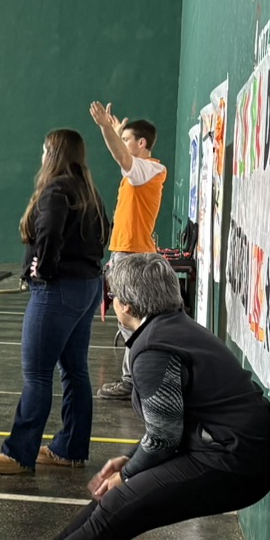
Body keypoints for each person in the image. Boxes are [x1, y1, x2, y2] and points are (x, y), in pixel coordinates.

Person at [0, 254, 270, 540]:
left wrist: (129, 472)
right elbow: (168, 428)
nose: (111, 301)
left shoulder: (154, 349)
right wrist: (130, 461)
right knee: (111, 501)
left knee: (117, 506)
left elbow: (163, 438)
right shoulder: (172, 327)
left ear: (127, 305)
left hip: (236, 463)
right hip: (229, 450)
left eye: (113, 296)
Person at [0, 131, 112, 477]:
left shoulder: (56, 189)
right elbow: (104, 232)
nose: (41, 155)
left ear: (53, 152)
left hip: (58, 291)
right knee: (75, 370)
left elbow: (49, 233)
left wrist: (41, 269)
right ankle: (69, 450)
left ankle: (18, 454)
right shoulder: (88, 190)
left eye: (44, 150)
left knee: (37, 374)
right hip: (87, 286)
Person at [89, 103, 167, 400]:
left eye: (127, 139)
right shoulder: (141, 172)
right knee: (130, 317)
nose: (123, 144)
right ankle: (136, 379)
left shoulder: (149, 169)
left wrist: (105, 129)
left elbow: (121, 156)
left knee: (129, 317)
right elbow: (123, 155)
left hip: (132, 255)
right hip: (127, 253)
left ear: (142, 143)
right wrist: (117, 133)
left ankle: (134, 381)